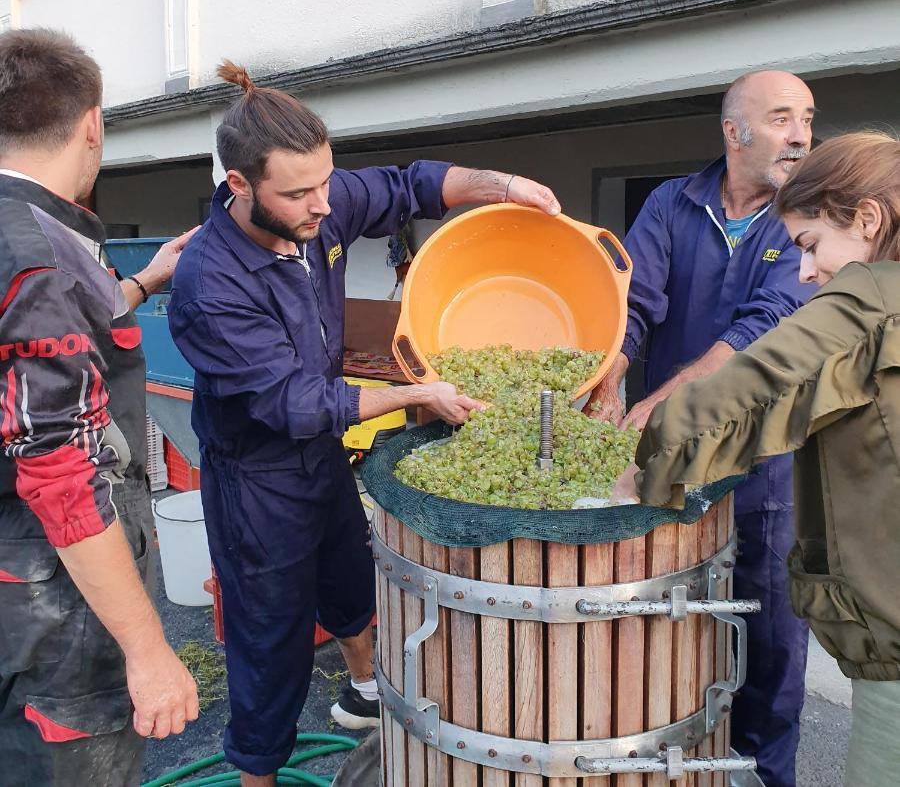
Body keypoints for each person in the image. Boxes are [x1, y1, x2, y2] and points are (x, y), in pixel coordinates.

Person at [167, 61, 561, 786]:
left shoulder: (318, 204)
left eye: (326, 182)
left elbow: (413, 184)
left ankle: (364, 690)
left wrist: (503, 188)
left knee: (352, 579)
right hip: (258, 478)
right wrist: (421, 392)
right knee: (270, 639)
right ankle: (258, 771)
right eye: (299, 193)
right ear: (240, 188)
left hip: (320, 453)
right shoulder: (208, 285)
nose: (322, 205)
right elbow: (292, 403)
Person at [617, 131, 900, 787]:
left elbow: (751, 388)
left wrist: (637, 475)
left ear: (867, 220)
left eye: (809, 246)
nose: (805, 273)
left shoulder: (868, 299)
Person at [588, 70, 817, 786]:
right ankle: (682, 756)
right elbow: (634, 299)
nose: (802, 134)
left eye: (807, 118)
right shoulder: (671, 203)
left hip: (767, 460)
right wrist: (609, 370)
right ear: (734, 132)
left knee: (771, 631)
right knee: (676, 612)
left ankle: (761, 769)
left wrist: (662, 402)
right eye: (782, 118)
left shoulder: (808, 218)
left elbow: (762, 329)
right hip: (679, 461)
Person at [0, 29, 199, 786]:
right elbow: (62, 471)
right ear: (93, 123)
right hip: (52, 608)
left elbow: (40, 351)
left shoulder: (24, 239)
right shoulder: (39, 252)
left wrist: (145, 281)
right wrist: (148, 653)